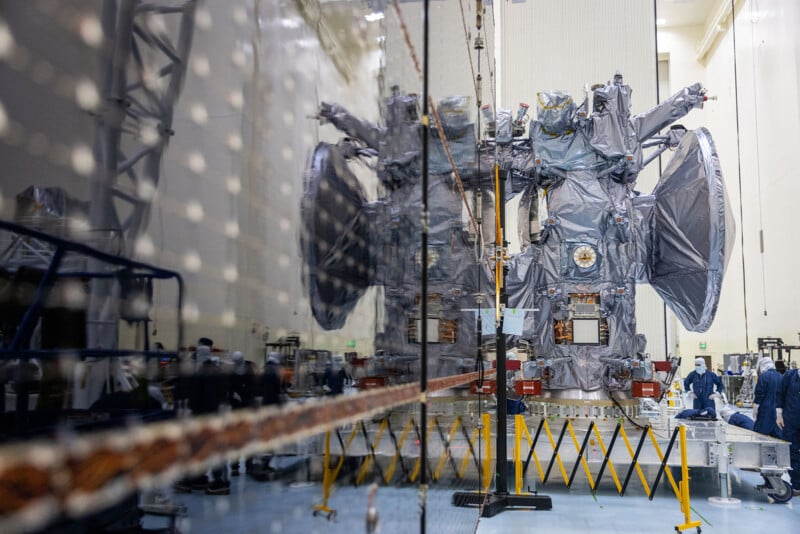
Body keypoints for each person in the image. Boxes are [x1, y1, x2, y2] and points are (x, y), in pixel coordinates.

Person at [175, 344, 230, 495]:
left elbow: (195, 397)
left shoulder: (201, 373)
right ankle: (213, 479)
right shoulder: (216, 372)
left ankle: (206, 480)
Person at [229, 350, 257, 476]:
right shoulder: (231, 372)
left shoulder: (249, 370)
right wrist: (231, 394)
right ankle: (235, 465)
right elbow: (227, 388)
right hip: (236, 409)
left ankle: (249, 464)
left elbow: (254, 388)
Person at [777, 364, 800, 496]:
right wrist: (779, 414)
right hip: (790, 421)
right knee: (792, 452)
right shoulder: (790, 376)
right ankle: (797, 485)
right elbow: (780, 394)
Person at [753, 357, 783, 439]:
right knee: (779, 438)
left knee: (759, 436)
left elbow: (759, 393)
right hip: (777, 413)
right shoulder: (781, 376)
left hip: (765, 412)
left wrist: (755, 408)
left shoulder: (764, 376)